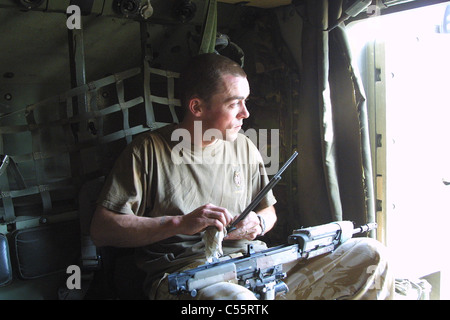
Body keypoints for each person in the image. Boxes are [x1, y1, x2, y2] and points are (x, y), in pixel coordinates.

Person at [90, 53, 393, 300]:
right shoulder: (148, 152)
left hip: (257, 265)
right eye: (234, 103)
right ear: (197, 107)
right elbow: (103, 230)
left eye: (245, 102)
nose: (245, 114)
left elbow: (268, 210)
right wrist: (179, 223)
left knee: (371, 253)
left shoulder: (244, 146)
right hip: (190, 278)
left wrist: (258, 223)